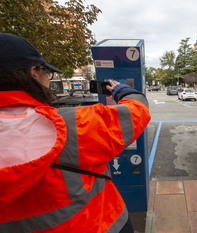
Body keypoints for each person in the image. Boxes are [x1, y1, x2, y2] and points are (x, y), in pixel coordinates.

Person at [0, 33, 151, 232]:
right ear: (34, 72)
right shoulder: (70, 124)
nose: (48, 79)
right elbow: (138, 111)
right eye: (47, 73)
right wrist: (124, 91)